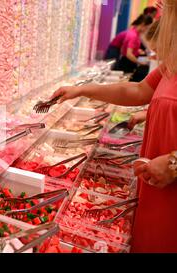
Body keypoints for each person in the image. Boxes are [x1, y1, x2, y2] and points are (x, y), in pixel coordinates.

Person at [51, 0, 177, 253]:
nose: (160, 14)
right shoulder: (173, 62)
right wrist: (82, 89)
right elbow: (139, 90)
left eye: (167, 7)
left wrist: (175, 163)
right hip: (152, 188)